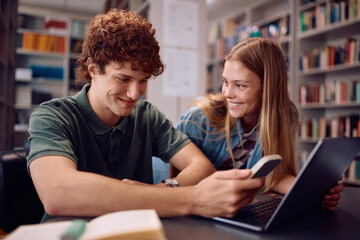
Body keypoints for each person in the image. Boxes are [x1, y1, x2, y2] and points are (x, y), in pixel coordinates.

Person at [26, 9, 265, 222]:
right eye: (123, 79)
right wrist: (193, 198)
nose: (135, 94)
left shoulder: (146, 116)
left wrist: (164, 189)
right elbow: (58, 193)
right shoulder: (52, 116)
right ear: (93, 69)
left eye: (142, 81)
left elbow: (201, 166)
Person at [176, 37, 343, 211]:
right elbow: (173, 182)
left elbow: (274, 176)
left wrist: (316, 191)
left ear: (268, 87)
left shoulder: (285, 115)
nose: (227, 93)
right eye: (225, 82)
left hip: (241, 211)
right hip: (200, 211)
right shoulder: (198, 119)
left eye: (240, 85)